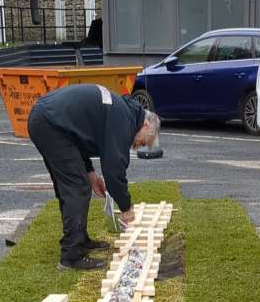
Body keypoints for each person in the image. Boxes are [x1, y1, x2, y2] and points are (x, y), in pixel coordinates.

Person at [27, 83, 161, 270]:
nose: (135, 146)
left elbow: (80, 138)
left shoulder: (123, 112)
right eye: (141, 142)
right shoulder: (124, 121)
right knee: (76, 187)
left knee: (76, 183)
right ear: (145, 124)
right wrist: (126, 208)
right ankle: (71, 256)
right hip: (50, 123)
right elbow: (114, 171)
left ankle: (80, 240)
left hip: (50, 120)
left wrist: (90, 174)